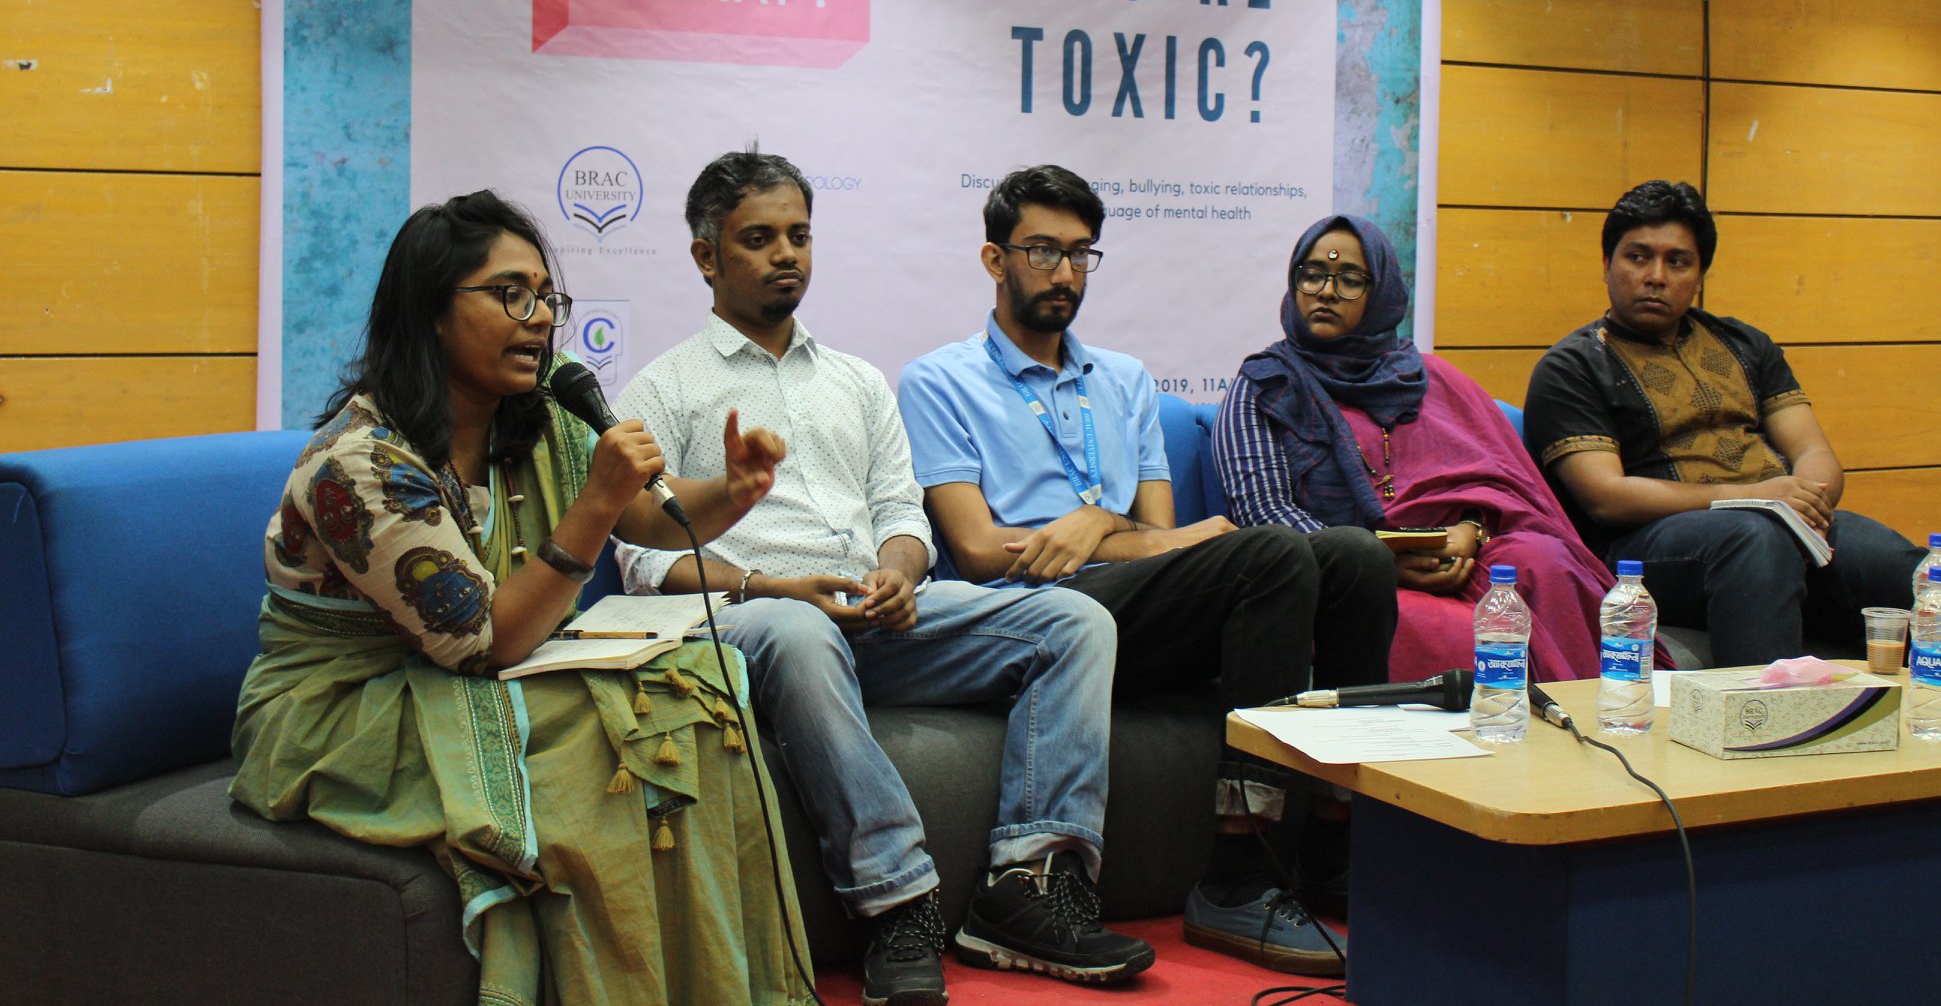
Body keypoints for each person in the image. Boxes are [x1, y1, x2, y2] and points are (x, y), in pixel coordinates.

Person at [229, 191, 812, 1006]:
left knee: (697, 693)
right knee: (600, 752)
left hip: (468, 676)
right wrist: (596, 503)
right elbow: (486, 641)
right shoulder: (358, 467)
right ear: (432, 310)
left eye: (546, 297)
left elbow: (650, 513)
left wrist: (735, 491)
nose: (540, 318)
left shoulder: (531, 420)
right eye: (511, 294)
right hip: (340, 709)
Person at [613, 149, 1153, 1006]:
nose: (787, 253)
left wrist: (900, 571)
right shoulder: (666, 388)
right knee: (801, 630)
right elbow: (644, 559)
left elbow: (904, 515)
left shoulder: (858, 382)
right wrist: (775, 589)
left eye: (799, 234)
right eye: (759, 239)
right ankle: (898, 903)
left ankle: (1028, 888)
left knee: (1074, 621)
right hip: (757, 623)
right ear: (707, 257)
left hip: (878, 617)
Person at [899, 164, 1397, 978]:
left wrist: (1095, 522)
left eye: (1080, 254)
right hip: (1031, 616)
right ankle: (1238, 877)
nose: (1064, 274)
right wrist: (1117, 537)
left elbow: (1165, 539)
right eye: (1041, 252)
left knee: (1354, 557)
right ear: (995, 261)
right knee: (1269, 555)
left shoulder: (1125, 380)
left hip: (1139, 605)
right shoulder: (940, 380)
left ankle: (1335, 852)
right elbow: (982, 548)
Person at [1524, 179, 1920, 666]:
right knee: (1754, 541)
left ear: (1700, 274)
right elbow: (1606, 498)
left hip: (1778, 523)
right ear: (1607, 266)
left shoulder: (1745, 343)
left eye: (1677, 261)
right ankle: (1763, 724)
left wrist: (1808, 498)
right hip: (1646, 548)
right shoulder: (1573, 367)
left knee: (1898, 565)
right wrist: (1758, 500)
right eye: (1638, 257)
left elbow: (1813, 450)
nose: (1655, 276)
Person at [1214, 214, 1614, 682]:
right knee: (1448, 630)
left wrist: (1470, 531)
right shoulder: (1264, 386)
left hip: (1465, 556)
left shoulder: (1430, 379)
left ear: (1381, 291)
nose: (1325, 291)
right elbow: (1262, 511)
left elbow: (1497, 486)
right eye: (1313, 274)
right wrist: (1376, 562)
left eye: (1349, 279)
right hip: (1347, 580)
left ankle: (1589, 723)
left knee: (1544, 562)